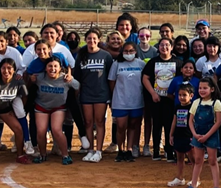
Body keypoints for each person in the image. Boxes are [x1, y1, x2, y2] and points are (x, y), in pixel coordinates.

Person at [75, 29, 114, 163]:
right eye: (89, 39)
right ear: (85, 40)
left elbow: (110, 77)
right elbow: (77, 78)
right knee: (88, 123)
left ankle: (98, 151)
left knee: (99, 122)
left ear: (98, 40)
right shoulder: (81, 56)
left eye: (94, 38)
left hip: (101, 94)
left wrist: (111, 95)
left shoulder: (106, 56)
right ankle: (90, 150)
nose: (91, 41)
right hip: (86, 94)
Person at [31, 57, 78, 165]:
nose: (52, 69)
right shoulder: (40, 77)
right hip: (41, 106)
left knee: (56, 129)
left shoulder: (65, 79)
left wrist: (71, 79)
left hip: (58, 107)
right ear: (45, 68)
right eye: (50, 66)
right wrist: (31, 78)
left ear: (60, 68)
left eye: (55, 66)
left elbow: (77, 87)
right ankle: (43, 154)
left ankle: (65, 155)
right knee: (41, 131)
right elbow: (29, 80)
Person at [182, 78, 221, 188]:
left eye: (205, 88)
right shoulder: (196, 102)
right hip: (198, 135)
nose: (202, 90)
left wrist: (206, 136)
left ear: (212, 89)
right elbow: (190, 121)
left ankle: (216, 187)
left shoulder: (216, 103)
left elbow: (218, 122)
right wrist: (195, 134)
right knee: (198, 160)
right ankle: (193, 185)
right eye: (200, 88)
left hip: (211, 135)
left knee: (212, 160)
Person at [143, 38, 180, 161]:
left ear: (172, 47)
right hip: (156, 99)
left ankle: (170, 151)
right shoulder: (153, 62)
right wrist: (153, 93)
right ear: (158, 47)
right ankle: (156, 151)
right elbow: (145, 78)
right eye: (161, 45)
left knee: (170, 125)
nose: (164, 47)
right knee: (157, 124)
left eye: (167, 45)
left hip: (171, 100)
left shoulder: (178, 62)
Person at [109, 42, 146, 162]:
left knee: (133, 125)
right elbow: (112, 82)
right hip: (120, 101)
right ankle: (120, 149)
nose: (128, 54)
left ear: (135, 52)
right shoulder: (117, 64)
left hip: (136, 100)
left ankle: (129, 149)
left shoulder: (141, 64)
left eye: (131, 51)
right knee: (121, 126)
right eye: (126, 51)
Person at [166, 85, 195, 188]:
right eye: (180, 95)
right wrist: (171, 134)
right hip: (178, 135)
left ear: (191, 95)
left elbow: (194, 123)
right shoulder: (177, 107)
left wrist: (194, 135)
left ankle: (196, 179)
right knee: (179, 157)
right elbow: (174, 121)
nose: (181, 97)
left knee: (192, 159)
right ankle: (179, 178)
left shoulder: (193, 108)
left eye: (184, 95)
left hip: (189, 136)